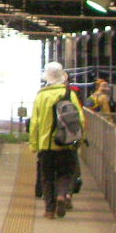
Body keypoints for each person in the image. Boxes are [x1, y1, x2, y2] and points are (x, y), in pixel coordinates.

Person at [29, 61, 84, 219]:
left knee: (47, 177)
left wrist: (34, 144)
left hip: (46, 146)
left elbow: (35, 123)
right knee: (65, 173)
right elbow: (80, 119)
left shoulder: (41, 96)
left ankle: (49, 210)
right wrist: (80, 139)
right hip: (67, 143)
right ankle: (62, 195)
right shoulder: (70, 94)